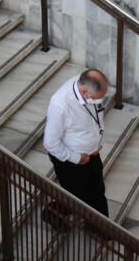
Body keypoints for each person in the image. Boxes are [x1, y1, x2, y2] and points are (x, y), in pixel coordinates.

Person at [42, 70, 110, 222]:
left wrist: (96, 143)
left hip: (91, 155)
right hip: (72, 161)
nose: (100, 101)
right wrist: (77, 158)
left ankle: (101, 229)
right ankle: (52, 215)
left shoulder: (84, 84)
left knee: (97, 191)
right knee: (77, 196)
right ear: (84, 92)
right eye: (97, 98)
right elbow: (50, 143)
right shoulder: (60, 104)